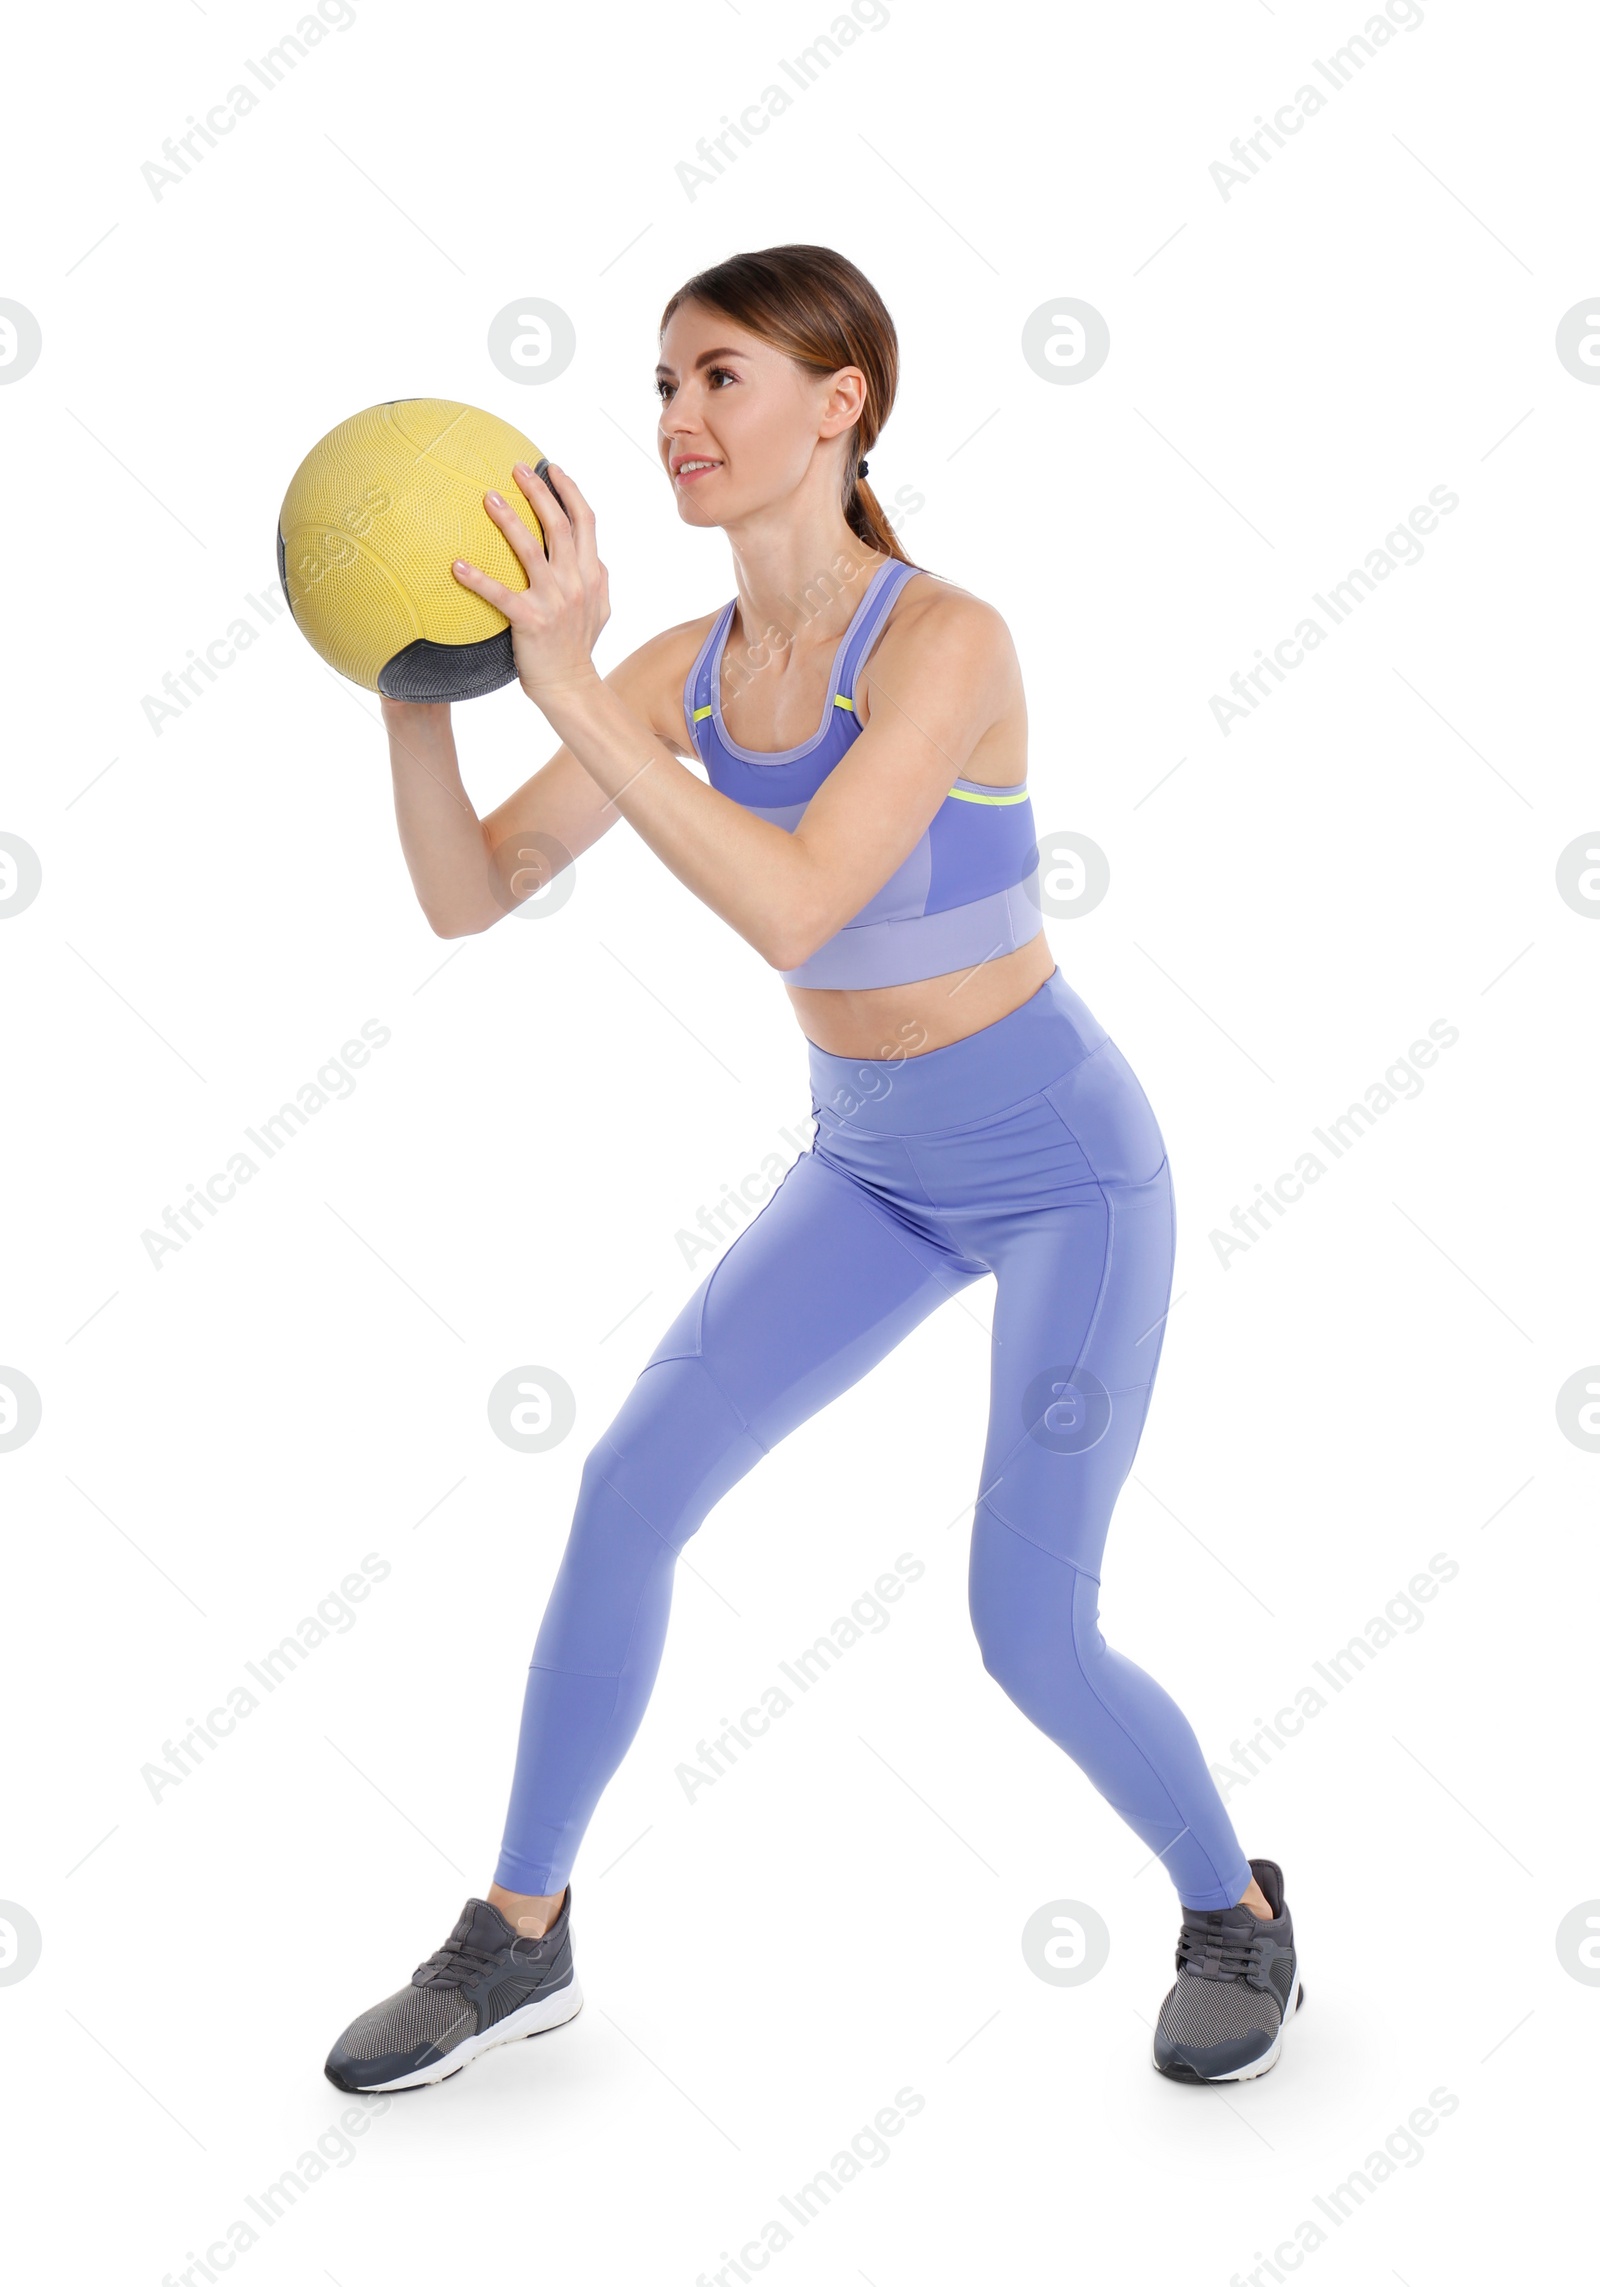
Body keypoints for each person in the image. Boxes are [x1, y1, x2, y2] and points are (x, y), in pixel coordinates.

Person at [323, 244, 1302, 2096]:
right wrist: (420, 689)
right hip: (868, 1170)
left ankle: (1234, 1907)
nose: (678, 418)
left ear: (839, 404)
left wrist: (567, 683)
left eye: (720, 379)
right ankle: (517, 1935)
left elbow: (794, 895)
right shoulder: (678, 669)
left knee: (1025, 1625)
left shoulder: (946, 643)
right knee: (623, 1491)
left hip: (1060, 1172)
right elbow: (471, 892)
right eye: (667, 383)